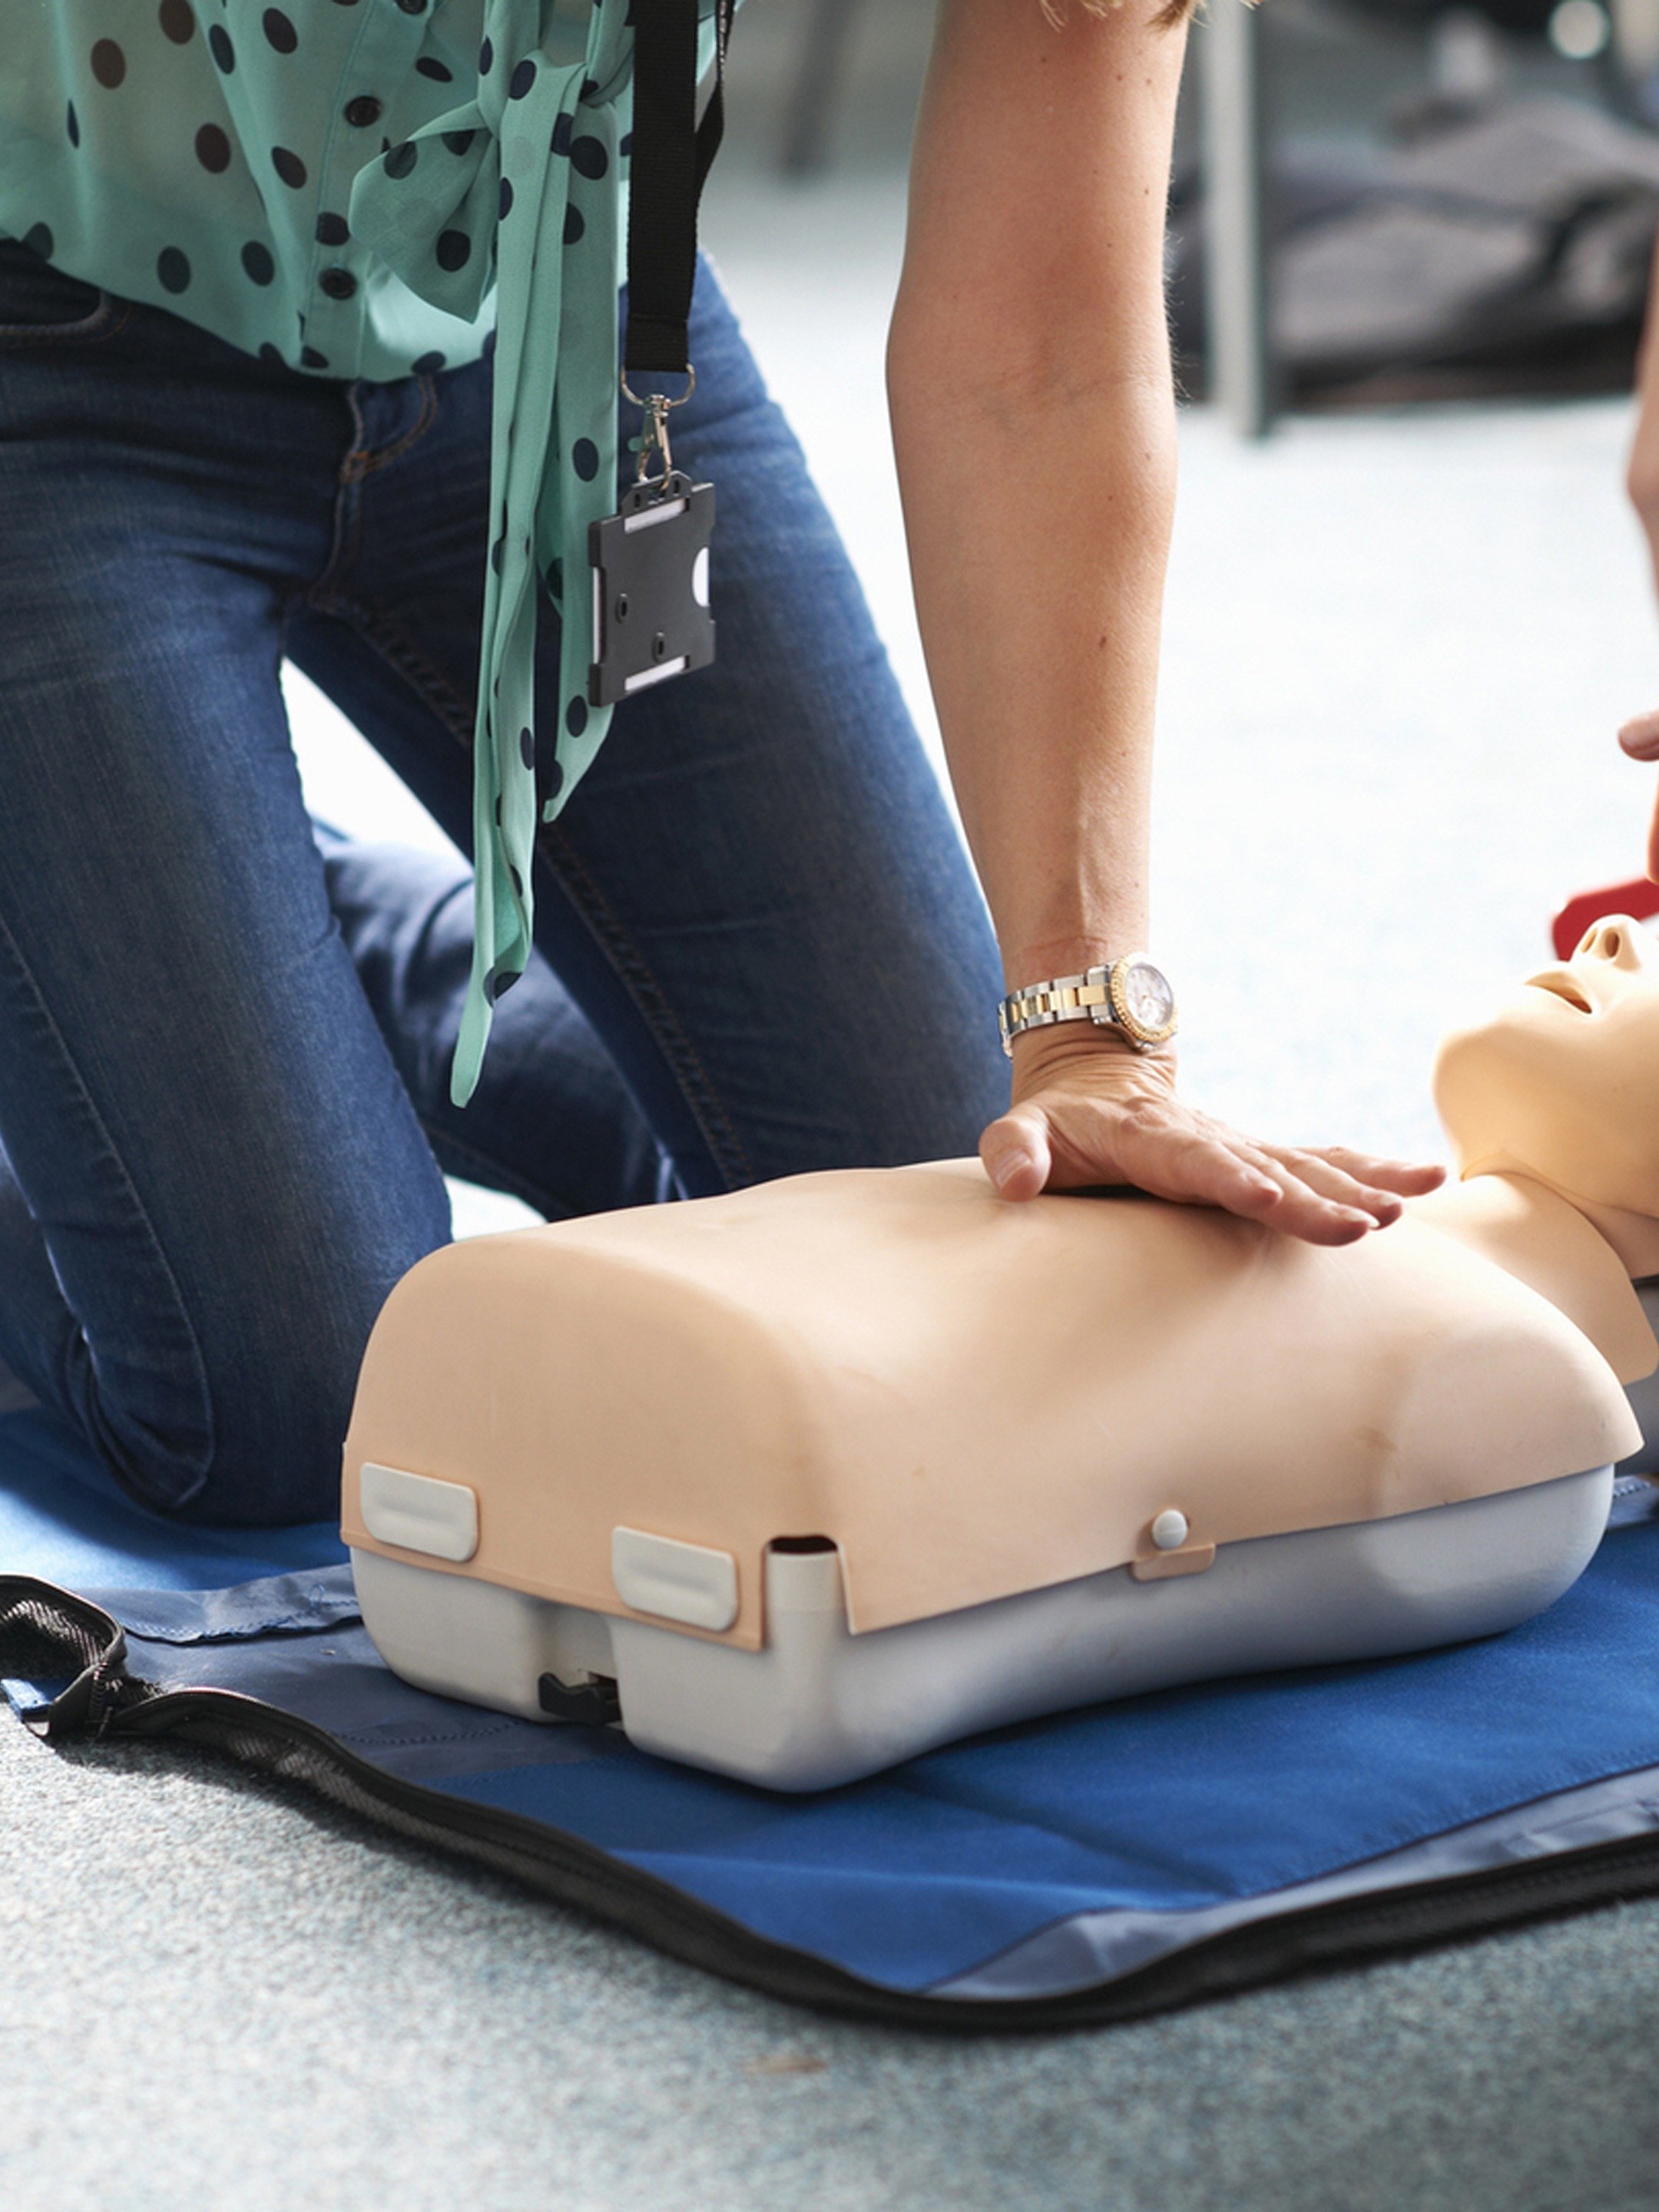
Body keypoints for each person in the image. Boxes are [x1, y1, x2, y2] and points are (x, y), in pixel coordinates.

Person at [0, 0, 1438, 1528]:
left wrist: (1086, 1024)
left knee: (940, 1243)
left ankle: (266, 926)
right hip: (52, 360)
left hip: (560, 303)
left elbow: (1044, 361)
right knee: (310, 1415)